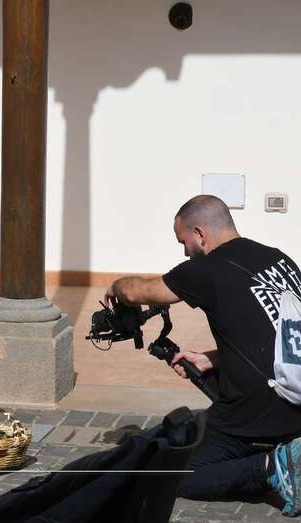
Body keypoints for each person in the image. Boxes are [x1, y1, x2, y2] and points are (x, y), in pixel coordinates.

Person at [105, 194, 301, 515]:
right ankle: (287, 448)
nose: (184, 252)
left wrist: (115, 287)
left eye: (183, 242)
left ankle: (273, 467)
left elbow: (138, 291)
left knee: (171, 474)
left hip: (260, 410)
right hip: (295, 399)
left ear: (199, 233)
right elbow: (276, 331)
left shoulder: (207, 268)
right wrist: (212, 358)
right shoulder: (278, 259)